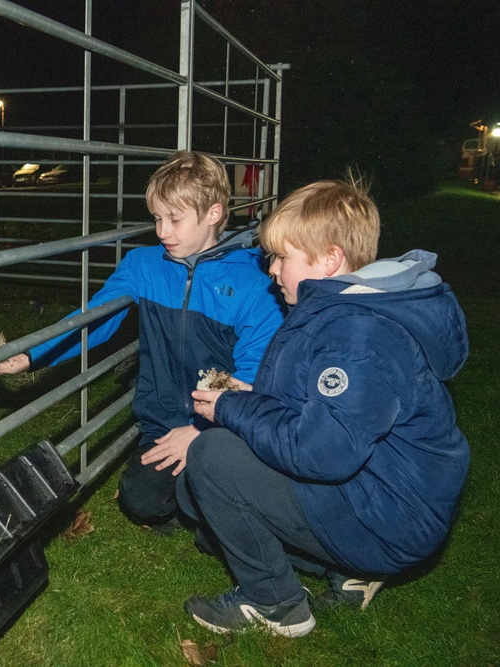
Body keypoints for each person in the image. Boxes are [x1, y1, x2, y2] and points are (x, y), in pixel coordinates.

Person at [180, 177, 470, 638]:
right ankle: (348, 573)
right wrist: (250, 396)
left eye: (282, 257)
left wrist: (233, 410)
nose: (272, 270)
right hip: (378, 497)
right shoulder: (342, 310)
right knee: (200, 509)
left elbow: (321, 453)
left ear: (330, 259)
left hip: (389, 517)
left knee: (213, 458)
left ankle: (277, 606)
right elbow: (318, 409)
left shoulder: (359, 335)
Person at [0, 151, 284, 532]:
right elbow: (95, 318)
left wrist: (200, 430)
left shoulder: (254, 282)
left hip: (224, 425)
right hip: (162, 421)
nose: (162, 232)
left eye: (175, 219)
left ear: (213, 213)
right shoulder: (144, 265)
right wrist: (29, 354)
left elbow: (251, 371)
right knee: (140, 499)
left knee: (210, 502)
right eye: (157, 218)